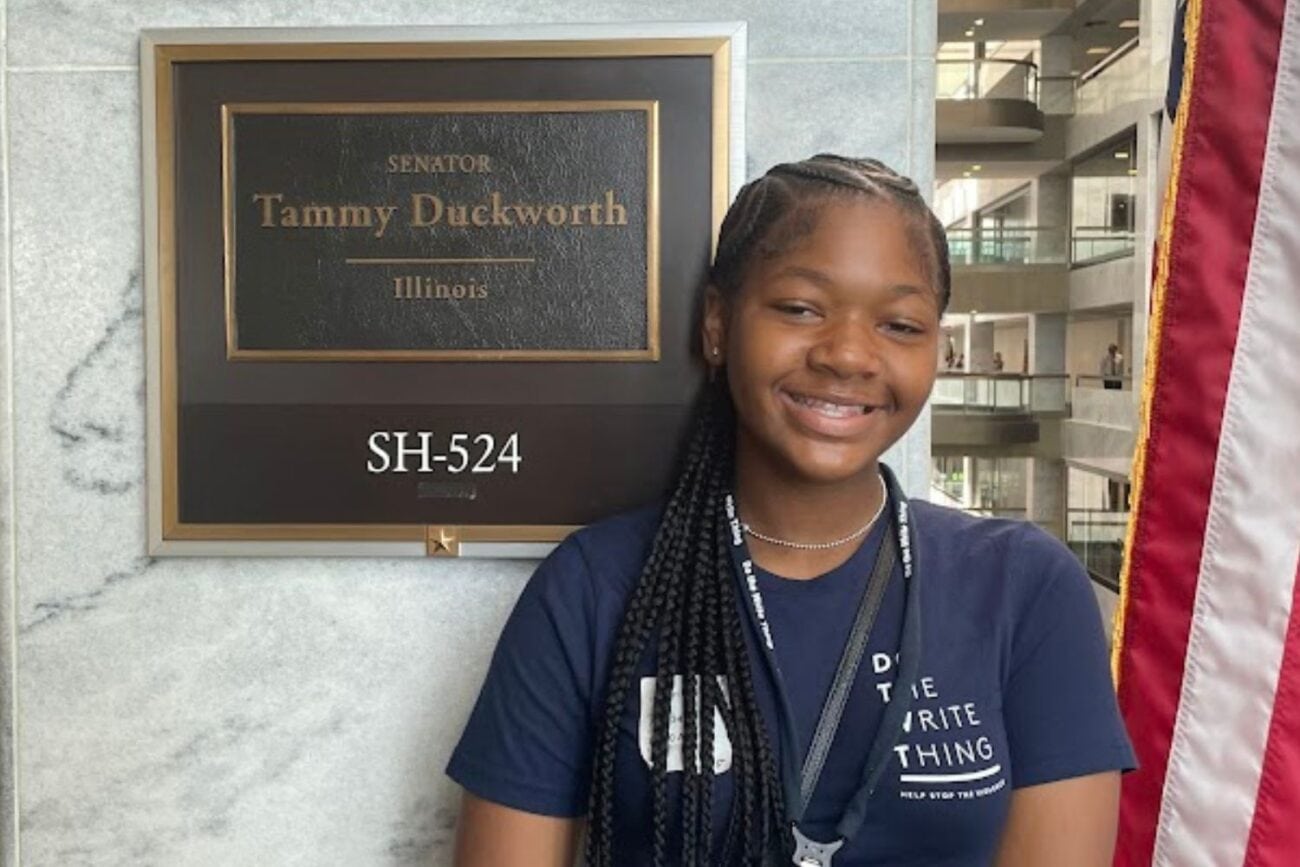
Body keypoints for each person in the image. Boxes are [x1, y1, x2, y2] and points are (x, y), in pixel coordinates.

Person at [448, 155, 1134, 867]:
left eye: (900, 325)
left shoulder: (1023, 589)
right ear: (718, 324)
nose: (848, 354)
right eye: (801, 308)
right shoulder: (593, 587)